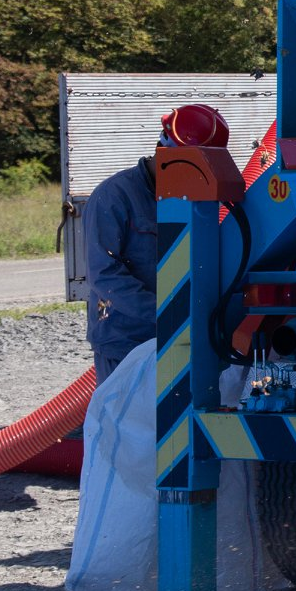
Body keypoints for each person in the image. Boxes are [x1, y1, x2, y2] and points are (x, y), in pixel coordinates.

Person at [82, 104, 231, 383]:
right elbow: (104, 274)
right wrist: (165, 314)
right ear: (165, 152)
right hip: (127, 342)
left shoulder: (195, 197)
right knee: (128, 413)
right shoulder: (114, 197)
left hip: (181, 338)